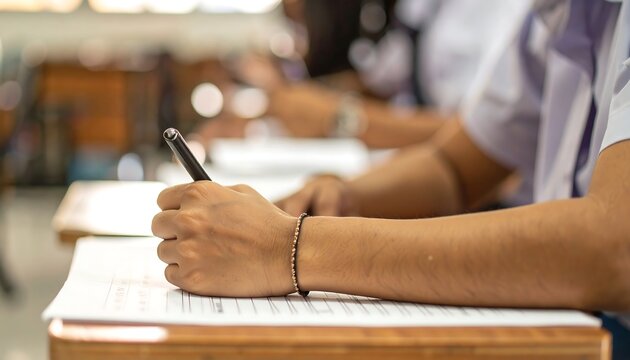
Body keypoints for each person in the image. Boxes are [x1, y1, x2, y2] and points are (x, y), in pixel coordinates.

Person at [152, 0, 630, 357]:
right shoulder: (556, 16)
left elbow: (614, 247)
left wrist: (292, 248)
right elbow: (456, 165)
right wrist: (348, 194)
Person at [196, 0, 530, 149]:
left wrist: (341, 118)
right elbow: (381, 81)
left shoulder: (494, 11)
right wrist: (268, 112)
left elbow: (490, 139)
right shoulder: (415, 9)